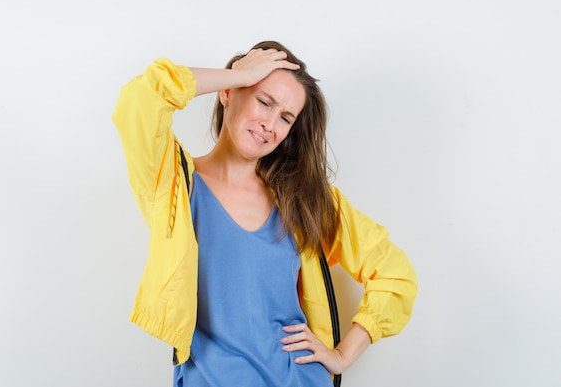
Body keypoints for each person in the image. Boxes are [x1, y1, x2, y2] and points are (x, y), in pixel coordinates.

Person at [112, 41, 418, 386]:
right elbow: (139, 100)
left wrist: (343, 355)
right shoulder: (174, 184)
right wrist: (237, 74)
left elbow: (395, 274)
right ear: (229, 92)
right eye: (264, 101)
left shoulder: (305, 200)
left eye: (285, 117)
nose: (270, 124)